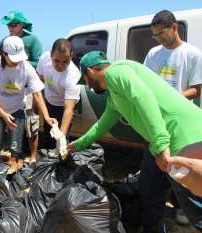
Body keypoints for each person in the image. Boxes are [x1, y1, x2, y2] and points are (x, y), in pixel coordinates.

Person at [68, 51, 202, 233]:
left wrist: (161, 144)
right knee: (150, 191)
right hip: (156, 143)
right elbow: (103, 123)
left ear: (90, 72)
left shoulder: (117, 72)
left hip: (182, 138)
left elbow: (143, 98)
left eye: (85, 80)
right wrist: (79, 144)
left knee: (195, 204)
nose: (88, 87)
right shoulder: (114, 94)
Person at [144, 9, 202, 225]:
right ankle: (156, 220)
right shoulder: (153, 54)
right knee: (151, 181)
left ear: (174, 27)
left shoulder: (192, 54)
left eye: (161, 34)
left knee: (183, 176)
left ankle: (184, 209)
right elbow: (146, 84)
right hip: (155, 125)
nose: (158, 39)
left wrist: (170, 99)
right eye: (155, 35)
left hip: (180, 128)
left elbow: (196, 90)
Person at [0, 36, 57, 191]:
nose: (16, 62)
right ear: (4, 53)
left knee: (16, 147)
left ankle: (12, 178)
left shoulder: (26, 67)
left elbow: (37, 94)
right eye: (13, 58)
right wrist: (3, 115)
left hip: (17, 109)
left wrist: (47, 116)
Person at [2, 10, 43, 163]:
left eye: (13, 24)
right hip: (11, 88)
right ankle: (15, 155)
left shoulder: (33, 40)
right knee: (13, 123)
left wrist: (19, 61)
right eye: (8, 25)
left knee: (31, 123)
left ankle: (33, 156)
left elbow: (38, 63)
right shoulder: (6, 41)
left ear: (21, 25)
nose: (10, 28)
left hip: (28, 89)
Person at [37, 39, 80, 149]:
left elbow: (68, 109)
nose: (60, 65)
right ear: (51, 54)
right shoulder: (44, 59)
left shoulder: (73, 75)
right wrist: (37, 106)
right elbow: (38, 80)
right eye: (56, 61)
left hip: (64, 107)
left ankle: (61, 161)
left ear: (71, 56)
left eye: (65, 62)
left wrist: (61, 137)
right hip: (49, 103)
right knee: (48, 137)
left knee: (60, 141)